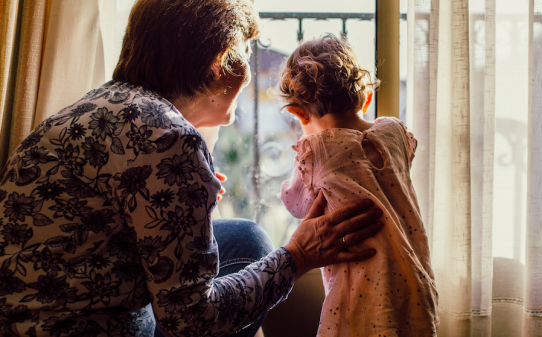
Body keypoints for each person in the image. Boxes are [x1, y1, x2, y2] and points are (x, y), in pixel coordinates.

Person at [0, 2, 385, 336]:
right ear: (220, 64)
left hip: (24, 319)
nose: (249, 71)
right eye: (246, 54)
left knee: (246, 238)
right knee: (261, 249)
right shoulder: (169, 138)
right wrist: (298, 256)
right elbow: (192, 320)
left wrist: (186, 204)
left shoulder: (97, 105)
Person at [279, 35, 439, 336]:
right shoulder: (394, 132)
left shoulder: (318, 149)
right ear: (366, 98)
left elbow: (298, 205)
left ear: (297, 113)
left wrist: (299, 165)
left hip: (361, 293)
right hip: (413, 279)